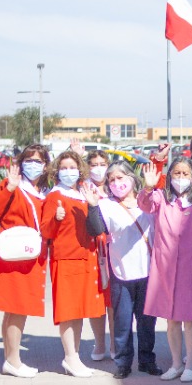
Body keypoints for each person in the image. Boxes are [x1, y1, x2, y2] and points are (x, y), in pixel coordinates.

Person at [139, 157, 192, 381]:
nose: (180, 178)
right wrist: (148, 186)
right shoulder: (162, 198)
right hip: (165, 269)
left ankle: (190, 364)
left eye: (185, 174)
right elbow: (145, 204)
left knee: (190, 318)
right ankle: (175, 364)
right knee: (171, 319)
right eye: (176, 174)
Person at [0, 146, 50, 378]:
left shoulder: (41, 191)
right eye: (29, 160)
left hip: (29, 257)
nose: (33, 164)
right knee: (16, 309)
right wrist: (8, 187)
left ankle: (11, 357)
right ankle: (12, 360)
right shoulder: (13, 187)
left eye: (38, 160)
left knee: (17, 310)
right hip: (13, 257)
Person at [89, 161, 159, 378]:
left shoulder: (148, 202)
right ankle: (123, 363)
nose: (117, 183)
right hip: (121, 271)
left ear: (131, 177)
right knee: (122, 322)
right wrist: (92, 206)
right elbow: (95, 229)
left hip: (148, 271)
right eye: (112, 180)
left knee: (147, 321)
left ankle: (147, 360)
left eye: (121, 178)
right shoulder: (106, 205)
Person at [40, 150, 105, 377]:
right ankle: (70, 356)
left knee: (78, 311)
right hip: (66, 259)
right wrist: (56, 219)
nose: (69, 172)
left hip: (85, 257)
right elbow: (46, 231)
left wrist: (93, 205)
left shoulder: (82, 194)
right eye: (64, 168)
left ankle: (74, 355)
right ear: (57, 171)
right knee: (68, 310)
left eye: (73, 167)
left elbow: (95, 228)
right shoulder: (54, 197)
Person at [85, 149, 113, 361]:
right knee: (96, 301)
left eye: (102, 163)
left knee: (113, 300)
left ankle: (114, 343)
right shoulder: (83, 187)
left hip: (113, 250)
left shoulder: (116, 186)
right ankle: (99, 343)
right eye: (93, 164)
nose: (98, 168)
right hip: (91, 249)